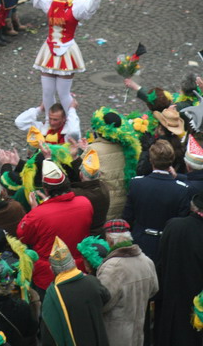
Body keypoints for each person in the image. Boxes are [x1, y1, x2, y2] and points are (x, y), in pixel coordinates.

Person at [16, 0, 109, 117]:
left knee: (63, 93)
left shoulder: (77, 6)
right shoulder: (50, 2)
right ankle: (49, 122)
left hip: (67, 50)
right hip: (49, 49)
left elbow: (90, 9)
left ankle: (70, 124)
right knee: (46, 92)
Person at [17, 160, 93, 294]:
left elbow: (23, 236)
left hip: (49, 277)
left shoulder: (37, 214)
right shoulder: (85, 203)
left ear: (46, 189)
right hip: (79, 269)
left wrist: (35, 210)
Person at [122, 139, 190, 263]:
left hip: (140, 241)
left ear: (151, 160)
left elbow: (127, 217)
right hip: (167, 244)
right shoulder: (181, 189)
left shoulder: (136, 183)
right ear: (171, 160)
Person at [97, 219, 158, 346]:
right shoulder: (147, 261)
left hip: (115, 335)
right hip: (138, 332)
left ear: (109, 240)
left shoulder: (112, 267)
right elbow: (154, 289)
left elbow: (103, 303)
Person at [41, 236, 110, 346]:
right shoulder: (92, 282)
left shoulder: (52, 295)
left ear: (51, 270)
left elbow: (49, 332)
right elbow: (106, 298)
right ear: (73, 262)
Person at [156, 193, 203, 346]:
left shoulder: (174, 225)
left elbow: (161, 259)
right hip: (197, 305)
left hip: (171, 297)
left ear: (193, 207)